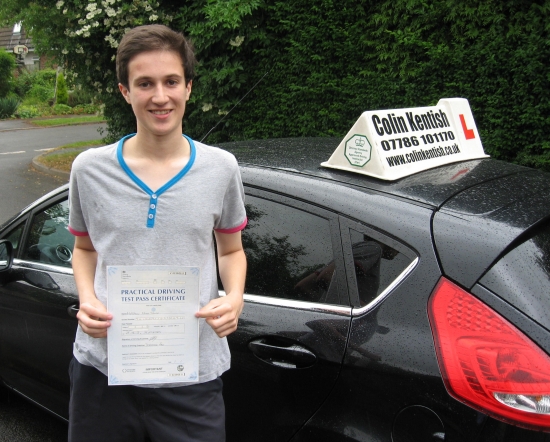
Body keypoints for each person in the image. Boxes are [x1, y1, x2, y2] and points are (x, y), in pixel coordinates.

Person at [67, 24, 247, 442]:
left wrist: (234, 297)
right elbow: (83, 248)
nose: (160, 96)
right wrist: (87, 298)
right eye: (144, 83)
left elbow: (231, 251)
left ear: (188, 88)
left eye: (171, 81)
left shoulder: (221, 168)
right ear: (125, 91)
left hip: (193, 373)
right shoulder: (89, 169)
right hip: (103, 368)